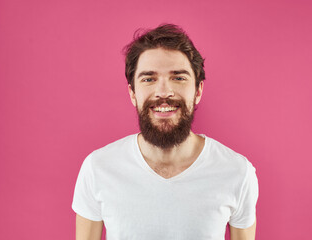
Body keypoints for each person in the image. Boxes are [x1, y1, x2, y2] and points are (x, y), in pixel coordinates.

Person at [72, 24, 259, 240]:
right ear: (132, 93)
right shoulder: (98, 168)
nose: (163, 92)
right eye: (149, 79)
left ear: (198, 90)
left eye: (178, 78)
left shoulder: (237, 171)